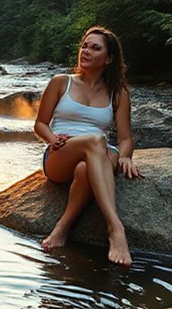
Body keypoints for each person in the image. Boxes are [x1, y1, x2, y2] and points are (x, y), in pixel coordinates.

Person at [34, 26, 140, 266]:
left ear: (109, 58)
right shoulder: (61, 82)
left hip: (100, 153)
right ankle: (115, 228)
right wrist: (52, 139)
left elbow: (125, 138)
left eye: (95, 48)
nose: (86, 51)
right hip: (63, 152)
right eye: (84, 45)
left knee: (86, 167)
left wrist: (125, 156)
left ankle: (62, 227)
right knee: (96, 141)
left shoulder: (119, 91)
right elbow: (40, 124)